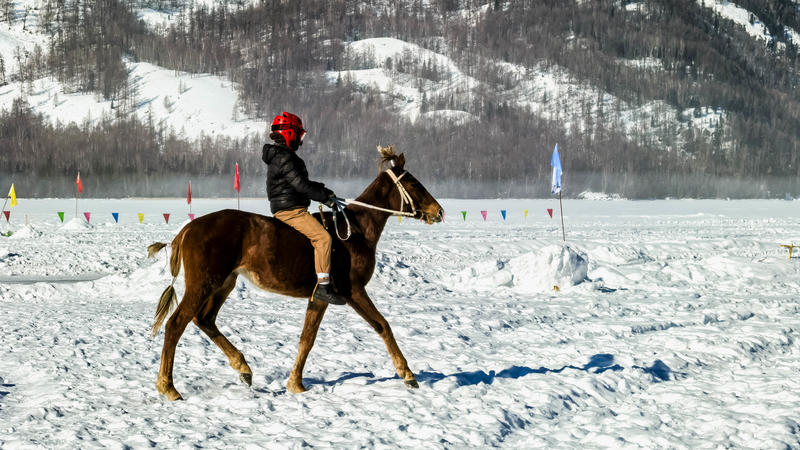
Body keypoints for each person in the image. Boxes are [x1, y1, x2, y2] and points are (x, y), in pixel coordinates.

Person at [262, 112, 347, 305]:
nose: (300, 139)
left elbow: (300, 182)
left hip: (288, 207)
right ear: (289, 133)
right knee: (323, 238)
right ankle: (323, 287)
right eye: (299, 134)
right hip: (291, 211)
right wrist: (324, 198)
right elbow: (300, 185)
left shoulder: (281, 155)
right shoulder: (284, 157)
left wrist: (324, 191)